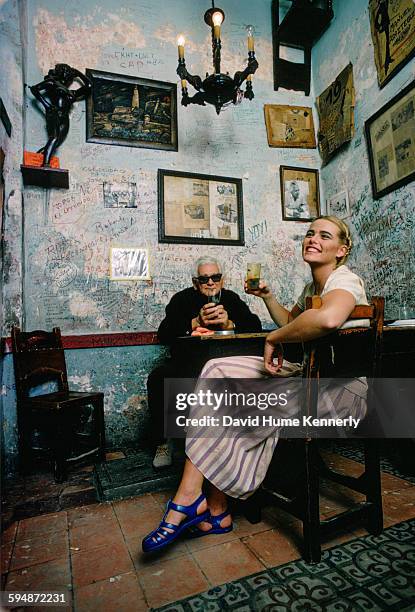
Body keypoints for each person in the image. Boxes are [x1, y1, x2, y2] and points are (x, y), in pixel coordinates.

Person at [142, 215, 369, 553]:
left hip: (340, 394)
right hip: (310, 378)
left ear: (342, 248)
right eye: (309, 233)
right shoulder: (312, 288)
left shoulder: (345, 280)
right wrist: (267, 296)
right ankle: (210, 508)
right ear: (195, 281)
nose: (313, 239)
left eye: (324, 235)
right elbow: (293, 322)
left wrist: (271, 336)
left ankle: (200, 504)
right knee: (218, 373)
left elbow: (328, 318)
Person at [148, 256, 262, 468]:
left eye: (215, 277)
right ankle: (163, 443)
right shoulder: (181, 300)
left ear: (222, 280)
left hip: (224, 364)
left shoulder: (232, 299)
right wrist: (195, 322)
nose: (210, 282)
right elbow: (164, 333)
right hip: (188, 364)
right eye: (204, 279)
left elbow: (254, 325)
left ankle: (238, 445)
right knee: (158, 378)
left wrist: (230, 323)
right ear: (195, 282)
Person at [30, 64, 92, 166]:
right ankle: (45, 165)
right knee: (54, 137)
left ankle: (36, 160)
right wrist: (47, 106)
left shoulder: (71, 93)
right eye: (65, 71)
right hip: (54, 113)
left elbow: (89, 86)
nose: (67, 73)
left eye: (68, 72)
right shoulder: (53, 82)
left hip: (65, 118)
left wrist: (77, 72)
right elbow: (34, 89)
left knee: (56, 143)